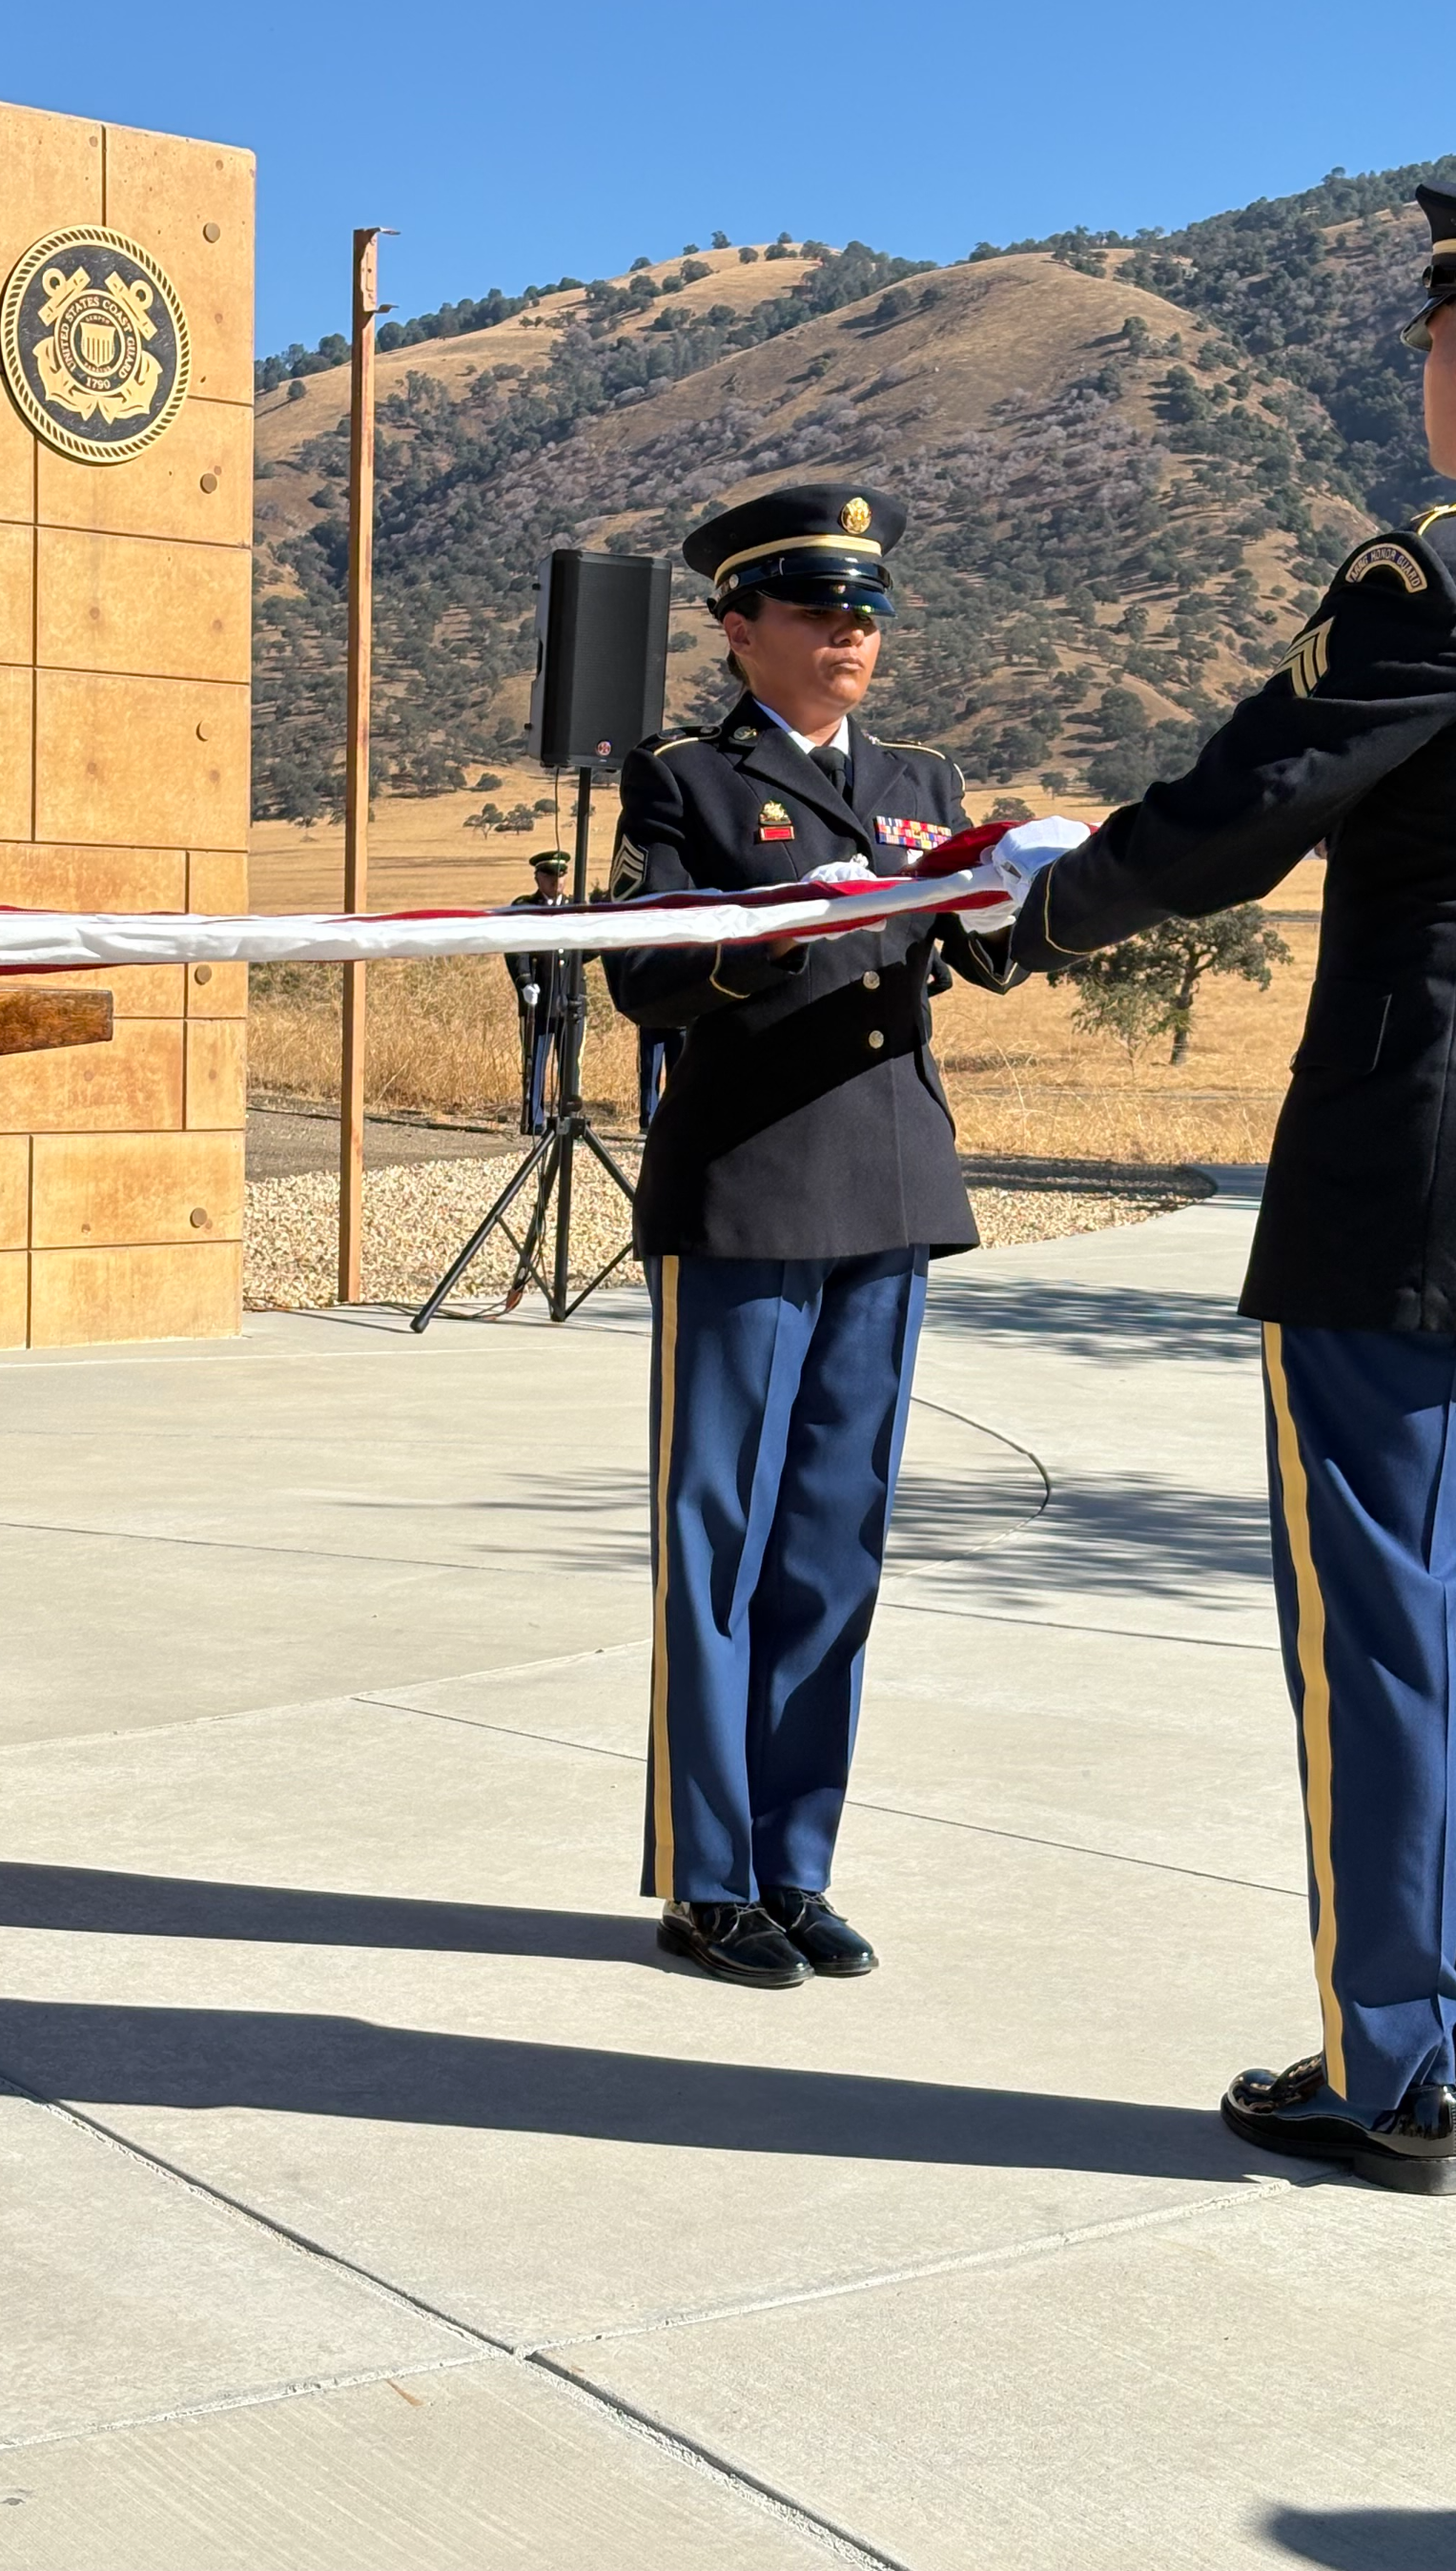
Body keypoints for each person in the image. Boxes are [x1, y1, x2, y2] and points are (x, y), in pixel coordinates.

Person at [1000, 181, 1456, 2192]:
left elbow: (1239, 819)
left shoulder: (1443, 580)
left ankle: (1384, 2070)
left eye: (1429, 340)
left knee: (1384, 1623)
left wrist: (1032, 913)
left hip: (1402, 1182)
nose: (1424, 371)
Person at [604, 483, 1013, 1988]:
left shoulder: (922, 777)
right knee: (720, 1537)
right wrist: (790, 922)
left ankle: (797, 1860)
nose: (854, 633)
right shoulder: (691, 785)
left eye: (869, 612)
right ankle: (708, 1877)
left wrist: (1028, 876)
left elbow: (990, 951)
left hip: (892, 1191)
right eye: (820, 610)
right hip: (752, 1182)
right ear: (738, 628)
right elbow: (645, 982)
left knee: (834, 1545)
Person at [503, 849, 571, 1131]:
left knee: (569, 1066)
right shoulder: (524, 907)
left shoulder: (576, 906)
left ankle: (568, 1119)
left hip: (568, 997)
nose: (556, 882)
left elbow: (591, 949)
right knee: (535, 1063)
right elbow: (515, 949)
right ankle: (534, 1119)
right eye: (549, 876)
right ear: (538, 878)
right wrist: (524, 982)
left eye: (561, 875)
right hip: (538, 999)